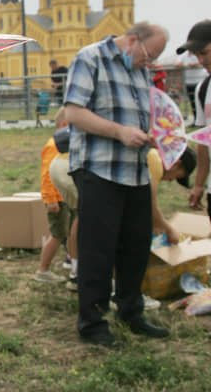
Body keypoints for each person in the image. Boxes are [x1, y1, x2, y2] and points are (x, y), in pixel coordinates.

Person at [65, 22, 171, 348]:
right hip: (99, 169)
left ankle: (130, 310)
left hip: (136, 171)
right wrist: (120, 132)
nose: (148, 64)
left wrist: (153, 135)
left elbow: (142, 114)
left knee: (136, 245)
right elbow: (73, 113)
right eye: (148, 55)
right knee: (98, 248)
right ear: (133, 40)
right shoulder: (90, 58)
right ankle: (92, 322)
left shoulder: (139, 70)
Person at [34, 107, 77, 284]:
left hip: (66, 197)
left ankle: (71, 260)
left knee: (71, 230)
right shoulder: (55, 146)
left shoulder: (64, 145)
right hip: (57, 200)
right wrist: (51, 199)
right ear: (65, 125)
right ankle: (43, 270)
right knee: (58, 234)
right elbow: (47, 175)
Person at [181, 20, 211, 225]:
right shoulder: (203, 88)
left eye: (205, 52)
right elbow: (203, 141)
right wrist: (199, 184)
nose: (201, 60)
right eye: (196, 55)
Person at [175, 50, 206, 124]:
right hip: (189, 82)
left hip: (199, 80)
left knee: (202, 101)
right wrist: (181, 65)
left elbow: (203, 61)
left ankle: (205, 120)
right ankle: (197, 120)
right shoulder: (184, 55)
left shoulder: (198, 53)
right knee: (193, 102)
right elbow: (177, 63)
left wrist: (194, 64)